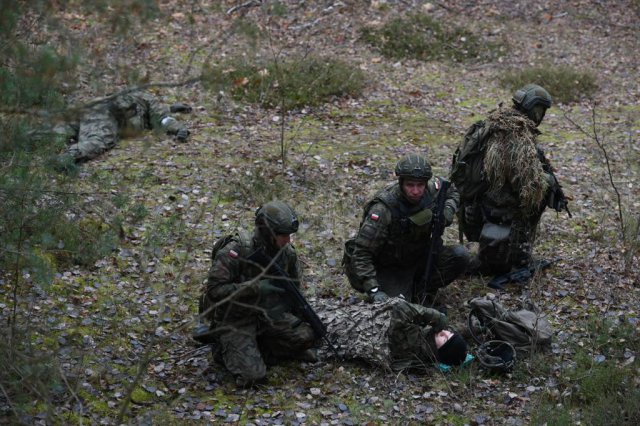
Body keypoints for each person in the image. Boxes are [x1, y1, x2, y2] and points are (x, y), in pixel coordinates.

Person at [449, 84, 569, 275]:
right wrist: (549, 182)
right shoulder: (516, 135)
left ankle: (497, 250)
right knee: (541, 194)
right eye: (540, 110)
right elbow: (530, 187)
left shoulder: (495, 123)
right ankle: (516, 257)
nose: (541, 116)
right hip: (495, 210)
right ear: (533, 108)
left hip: (474, 206)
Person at [198, 200, 318, 387]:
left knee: (306, 336)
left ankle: (255, 347)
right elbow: (214, 291)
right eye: (282, 235)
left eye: (289, 235)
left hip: (267, 314)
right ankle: (223, 346)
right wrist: (254, 287)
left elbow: (295, 291)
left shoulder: (287, 254)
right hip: (235, 318)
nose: (287, 240)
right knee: (253, 377)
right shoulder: (236, 250)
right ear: (267, 232)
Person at [343, 153, 472, 304]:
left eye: (420, 185)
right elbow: (361, 254)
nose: (416, 191)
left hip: (417, 257)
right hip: (388, 268)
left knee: (460, 256)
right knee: (397, 308)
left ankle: (422, 289)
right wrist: (373, 290)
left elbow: (452, 191)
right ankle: (404, 292)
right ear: (401, 183)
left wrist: (447, 212)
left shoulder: (432, 189)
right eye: (410, 185)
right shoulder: (383, 209)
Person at [317, 297, 469, 371]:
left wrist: (435, 316)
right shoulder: (425, 354)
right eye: (448, 332)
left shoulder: (414, 343)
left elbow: (401, 308)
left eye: (445, 339)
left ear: (441, 351)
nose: (443, 332)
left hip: (340, 326)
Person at [54, 90, 190, 165]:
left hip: (90, 108)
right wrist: (179, 129)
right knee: (98, 140)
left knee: (61, 132)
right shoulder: (148, 100)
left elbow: (154, 116)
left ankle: (38, 142)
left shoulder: (135, 99)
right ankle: (66, 158)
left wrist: (171, 109)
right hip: (107, 113)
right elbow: (162, 120)